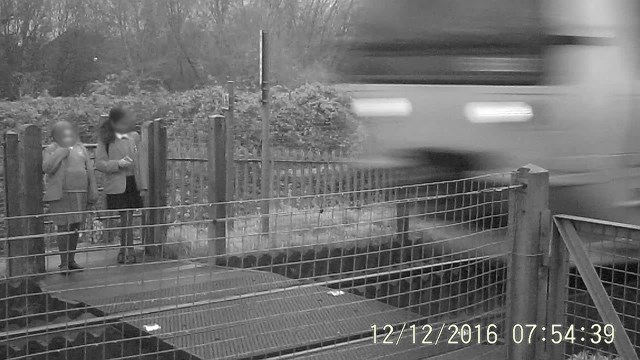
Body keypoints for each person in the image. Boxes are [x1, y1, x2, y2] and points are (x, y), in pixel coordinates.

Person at [43, 121, 99, 272]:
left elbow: (90, 171)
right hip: (61, 194)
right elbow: (47, 168)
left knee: (75, 226)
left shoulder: (81, 148)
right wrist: (62, 151)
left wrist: (93, 190)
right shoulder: (51, 149)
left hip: (80, 193)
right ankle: (63, 263)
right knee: (63, 226)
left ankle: (71, 259)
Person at [95, 107, 148, 264]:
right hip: (117, 183)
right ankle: (126, 251)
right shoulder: (106, 139)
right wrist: (118, 164)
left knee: (129, 218)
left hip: (132, 182)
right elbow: (99, 163)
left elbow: (141, 163)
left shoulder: (134, 137)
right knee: (125, 217)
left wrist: (143, 186)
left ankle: (126, 251)